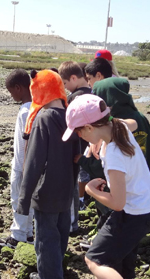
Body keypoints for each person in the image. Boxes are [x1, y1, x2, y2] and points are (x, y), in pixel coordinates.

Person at [62, 94, 150, 279]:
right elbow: (132, 122)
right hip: (144, 207)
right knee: (101, 253)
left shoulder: (114, 154)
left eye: (79, 132)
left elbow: (117, 202)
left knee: (94, 261)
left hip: (133, 214)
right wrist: (97, 143)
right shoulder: (118, 128)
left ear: (89, 128)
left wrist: (91, 190)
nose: (79, 137)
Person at [17, 69, 80, 279]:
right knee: (60, 237)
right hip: (66, 189)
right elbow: (77, 156)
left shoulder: (43, 118)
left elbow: (34, 162)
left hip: (46, 192)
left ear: (40, 90)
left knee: (45, 241)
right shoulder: (70, 117)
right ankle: (51, 275)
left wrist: (23, 200)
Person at [0, 68, 34, 249]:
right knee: (28, 201)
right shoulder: (35, 107)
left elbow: (26, 141)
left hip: (22, 165)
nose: (11, 95)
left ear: (19, 88)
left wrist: (24, 166)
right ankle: (27, 234)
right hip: (28, 164)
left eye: (11, 91)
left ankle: (18, 235)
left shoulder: (26, 111)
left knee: (18, 199)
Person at [58, 61, 92, 233]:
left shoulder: (74, 98)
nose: (65, 88)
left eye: (65, 83)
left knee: (72, 184)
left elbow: (70, 127)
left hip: (77, 148)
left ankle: (72, 223)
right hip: (92, 147)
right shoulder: (95, 94)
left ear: (73, 78)